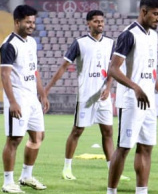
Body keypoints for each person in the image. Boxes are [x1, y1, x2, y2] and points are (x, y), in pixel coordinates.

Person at [103, 0, 158, 194]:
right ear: (143, 11)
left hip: (148, 99)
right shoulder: (129, 35)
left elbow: (149, 71)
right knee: (124, 147)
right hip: (131, 100)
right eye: (155, 14)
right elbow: (113, 69)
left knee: (146, 146)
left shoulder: (153, 36)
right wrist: (135, 87)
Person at [45, 10, 121, 181]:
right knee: (77, 131)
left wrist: (109, 87)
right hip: (86, 95)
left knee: (108, 131)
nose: (100, 24)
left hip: (103, 96)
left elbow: (113, 68)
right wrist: (47, 88)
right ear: (88, 23)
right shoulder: (80, 43)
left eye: (102, 21)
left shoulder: (110, 43)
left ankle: (112, 170)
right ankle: (67, 168)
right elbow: (63, 67)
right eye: (96, 21)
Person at [0, 4, 49, 193]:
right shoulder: (9, 45)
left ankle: (26, 176)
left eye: (33, 22)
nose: (31, 25)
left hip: (32, 97)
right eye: (27, 22)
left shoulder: (31, 42)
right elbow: (5, 75)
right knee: (14, 139)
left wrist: (42, 93)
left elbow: (34, 70)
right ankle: (8, 182)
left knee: (38, 136)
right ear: (17, 22)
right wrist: (12, 102)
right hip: (18, 97)